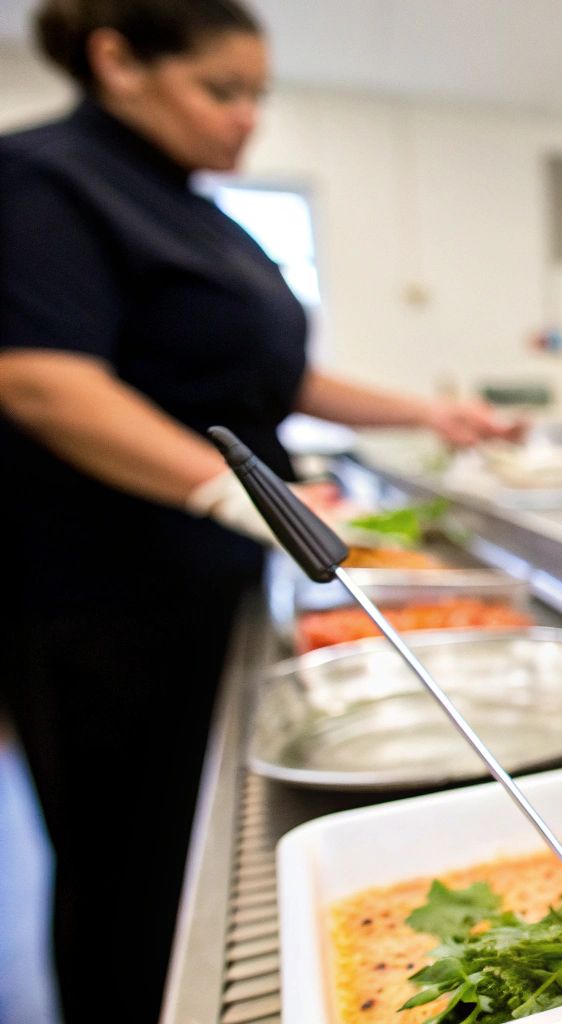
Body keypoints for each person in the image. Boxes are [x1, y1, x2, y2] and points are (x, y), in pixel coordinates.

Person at [0, 2, 518, 1019]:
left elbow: (281, 377)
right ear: (118, 62)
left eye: (258, 95)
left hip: (207, 584)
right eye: (221, 90)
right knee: (127, 864)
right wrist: (228, 490)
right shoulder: (44, 179)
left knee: (187, 837)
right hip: (104, 598)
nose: (247, 118)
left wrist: (429, 410)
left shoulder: (196, 210)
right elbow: (39, 378)